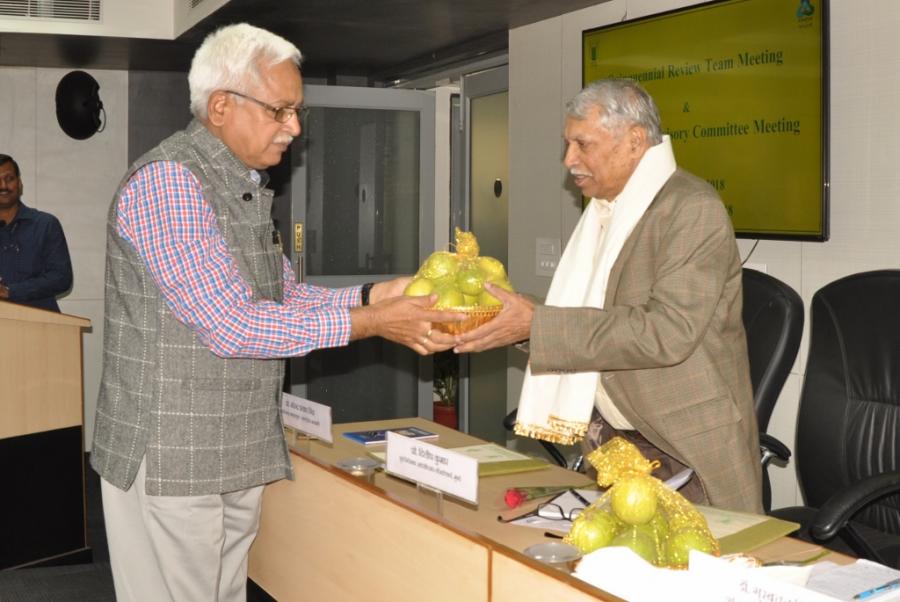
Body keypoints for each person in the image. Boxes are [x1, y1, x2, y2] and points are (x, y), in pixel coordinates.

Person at [91, 23, 461, 602]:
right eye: (280, 110)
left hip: (234, 445)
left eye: (296, 111)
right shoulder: (170, 183)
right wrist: (372, 323)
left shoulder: (241, 185)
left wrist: (374, 296)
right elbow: (232, 324)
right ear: (221, 106)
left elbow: (282, 299)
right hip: (170, 452)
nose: (294, 127)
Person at [455, 78, 763, 514]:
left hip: (684, 449)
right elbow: (595, 316)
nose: (569, 160)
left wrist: (537, 323)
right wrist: (513, 317)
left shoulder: (690, 207)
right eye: (567, 145)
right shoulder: (606, 210)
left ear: (634, 141)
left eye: (582, 144)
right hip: (614, 446)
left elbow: (667, 332)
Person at [0, 154, 73, 312]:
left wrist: (10, 291)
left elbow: (62, 278)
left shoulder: (45, 224)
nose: (3, 186)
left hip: (40, 322)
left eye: (9, 178)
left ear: (19, 183)